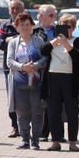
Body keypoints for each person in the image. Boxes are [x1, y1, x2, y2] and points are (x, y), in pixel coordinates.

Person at [40, 14, 79, 152]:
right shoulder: (53, 41)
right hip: (53, 78)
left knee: (72, 111)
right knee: (53, 111)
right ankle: (55, 141)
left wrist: (66, 44)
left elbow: (78, 57)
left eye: (69, 26)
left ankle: (72, 142)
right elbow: (43, 51)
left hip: (70, 80)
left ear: (74, 28)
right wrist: (55, 42)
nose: (66, 30)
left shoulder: (77, 41)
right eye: (62, 26)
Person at [6, 12, 47, 150]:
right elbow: (9, 62)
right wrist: (23, 67)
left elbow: (45, 59)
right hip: (19, 85)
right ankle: (24, 139)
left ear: (32, 27)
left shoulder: (38, 41)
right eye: (21, 25)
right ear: (17, 27)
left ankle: (35, 140)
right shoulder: (13, 43)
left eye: (27, 24)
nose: (24, 27)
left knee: (37, 113)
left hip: (36, 85)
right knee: (22, 114)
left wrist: (34, 66)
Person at [0, 0, 26, 138]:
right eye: (13, 8)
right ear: (9, 10)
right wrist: (16, 38)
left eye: (18, 8)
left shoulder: (27, 23)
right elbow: (1, 44)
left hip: (27, 67)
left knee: (28, 98)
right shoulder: (4, 25)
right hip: (9, 68)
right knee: (12, 99)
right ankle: (15, 126)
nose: (15, 11)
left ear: (23, 10)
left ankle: (27, 126)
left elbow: (29, 38)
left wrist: (10, 39)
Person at [33, 4, 57, 142]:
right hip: (39, 70)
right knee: (39, 103)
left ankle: (53, 132)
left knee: (53, 103)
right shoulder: (34, 30)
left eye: (54, 14)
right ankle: (41, 132)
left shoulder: (57, 30)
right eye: (51, 15)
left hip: (55, 69)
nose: (54, 18)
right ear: (41, 16)